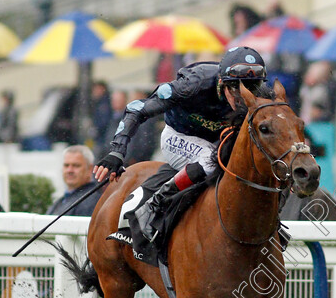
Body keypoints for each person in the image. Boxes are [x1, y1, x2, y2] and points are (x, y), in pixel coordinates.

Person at [93, 46, 271, 241]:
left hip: (218, 140)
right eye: (236, 87)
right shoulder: (193, 83)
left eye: (251, 87)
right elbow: (136, 108)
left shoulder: (263, 95)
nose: (243, 98)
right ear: (221, 82)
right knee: (211, 160)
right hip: (178, 136)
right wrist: (117, 152)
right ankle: (154, 205)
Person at [47, 145, 104, 217]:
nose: (69, 170)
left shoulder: (91, 201)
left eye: (76, 165)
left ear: (90, 169)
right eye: (66, 165)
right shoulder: (63, 199)